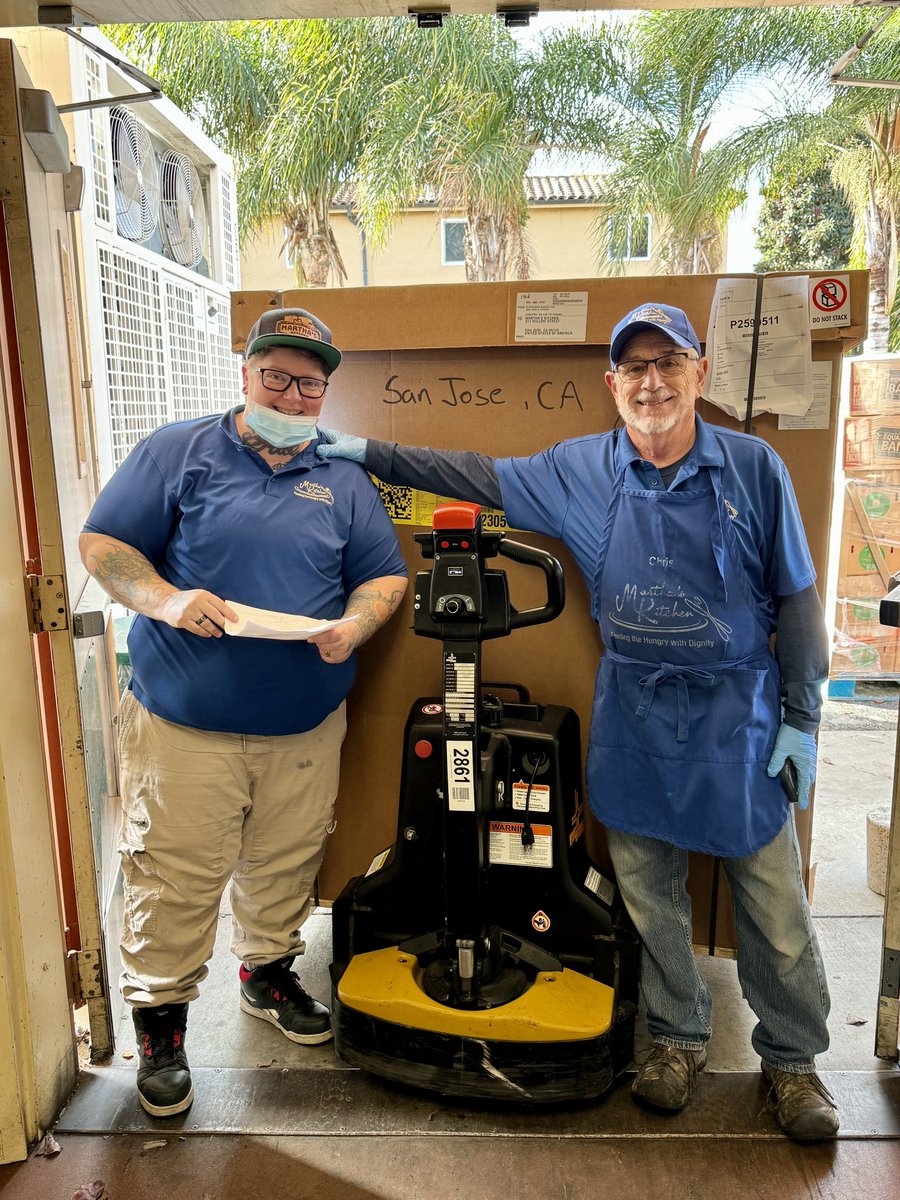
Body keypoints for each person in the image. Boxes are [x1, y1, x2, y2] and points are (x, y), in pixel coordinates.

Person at [317, 302, 839, 1142]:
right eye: (634, 368)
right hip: (634, 713)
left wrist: (801, 716)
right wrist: (367, 451)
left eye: (668, 363)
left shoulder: (754, 467)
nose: (652, 382)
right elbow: (474, 474)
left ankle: (793, 1061)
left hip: (737, 718)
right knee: (649, 896)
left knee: (773, 907)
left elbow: (798, 599)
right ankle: (674, 1037)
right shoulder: (578, 469)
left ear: (699, 373)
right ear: (612, 384)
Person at [80, 307, 408, 1118]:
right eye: (278, 378)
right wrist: (165, 598)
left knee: (285, 863)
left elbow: (384, 577)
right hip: (183, 726)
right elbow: (103, 546)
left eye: (310, 385)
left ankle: (265, 975)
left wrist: (356, 626)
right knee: (174, 874)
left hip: (304, 725)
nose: (292, 397)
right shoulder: (178, 451)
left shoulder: (341, 478)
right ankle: (160, 1026)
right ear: (247, 375)